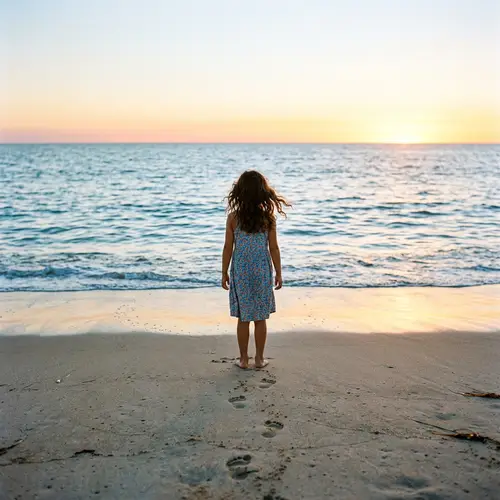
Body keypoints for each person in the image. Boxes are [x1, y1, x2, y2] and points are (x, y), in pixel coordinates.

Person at [221, 170, 290, 369]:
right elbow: (274, 248)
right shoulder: (268, 218)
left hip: (241, 271)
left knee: (244, 318)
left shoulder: (233, 218)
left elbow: (228, 248)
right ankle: (259, 359)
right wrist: (278, 272)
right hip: (261, 270)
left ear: (240, 193)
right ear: (263, 193)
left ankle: (243, 360)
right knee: (260, 317)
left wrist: (224, 272)